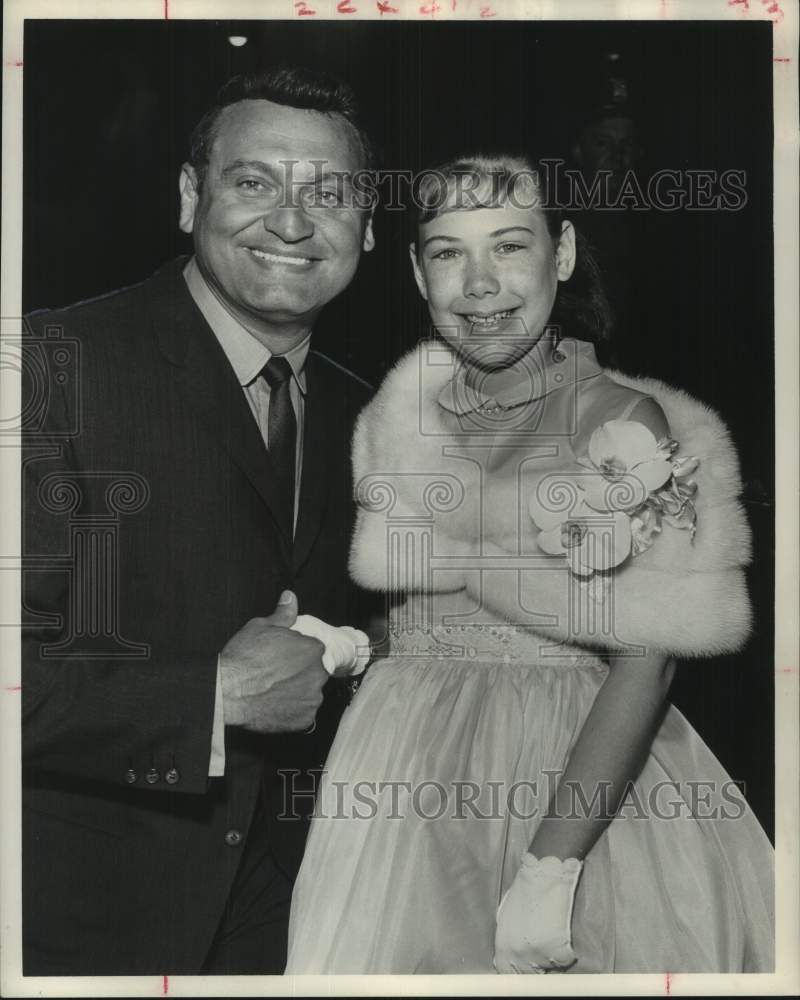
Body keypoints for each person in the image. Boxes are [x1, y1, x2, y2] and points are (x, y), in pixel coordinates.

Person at [285, 153, 775, 973]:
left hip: (561, 771)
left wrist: (552, 867)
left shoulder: (622, 418)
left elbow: (647, 664)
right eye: (448, 252)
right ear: (415, 270)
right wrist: (354, 644)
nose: (480, 284)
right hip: (396, 771)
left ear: (565, 253)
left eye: (510, 246)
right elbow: (400, 603)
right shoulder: (396, 413)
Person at [22, 66, 378, 975]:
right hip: (71, 929)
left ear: (368, 229)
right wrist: (212, 698)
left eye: (328, 194)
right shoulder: (50, 368)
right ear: (189, 198)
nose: (292, 223)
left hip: (299, 919)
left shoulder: (371, 415)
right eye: (253, 182)